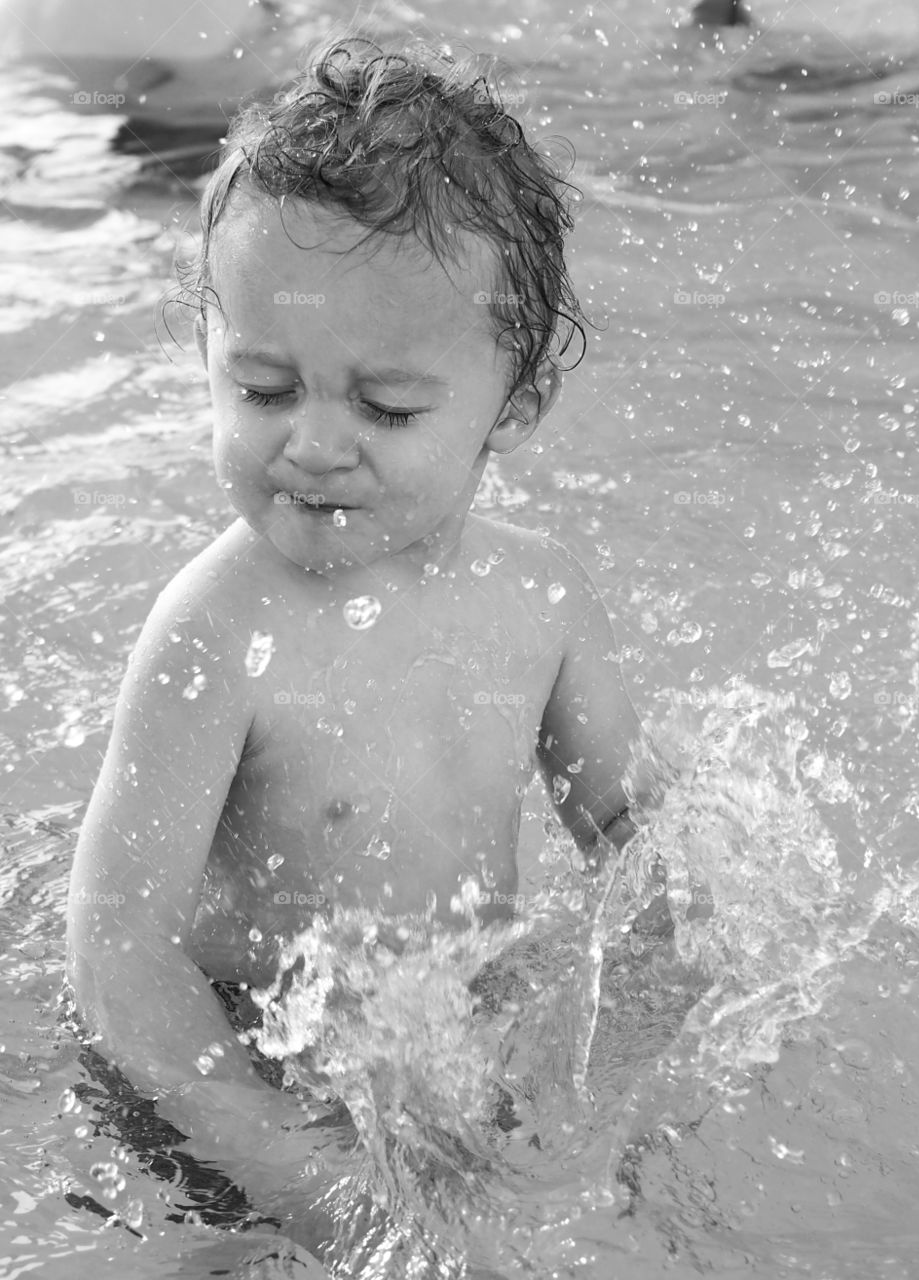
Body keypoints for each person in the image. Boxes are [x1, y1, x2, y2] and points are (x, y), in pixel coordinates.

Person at [64, 33, 643, 1268]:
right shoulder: (217, 630)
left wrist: (631, 1036)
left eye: (384, 407)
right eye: (265, 388)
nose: (315, 445)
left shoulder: (539, 598)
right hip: (227, 1080)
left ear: (515, 402)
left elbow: (638, 835)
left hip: (440, 1051)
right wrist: (296, 1169)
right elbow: (115, 949)